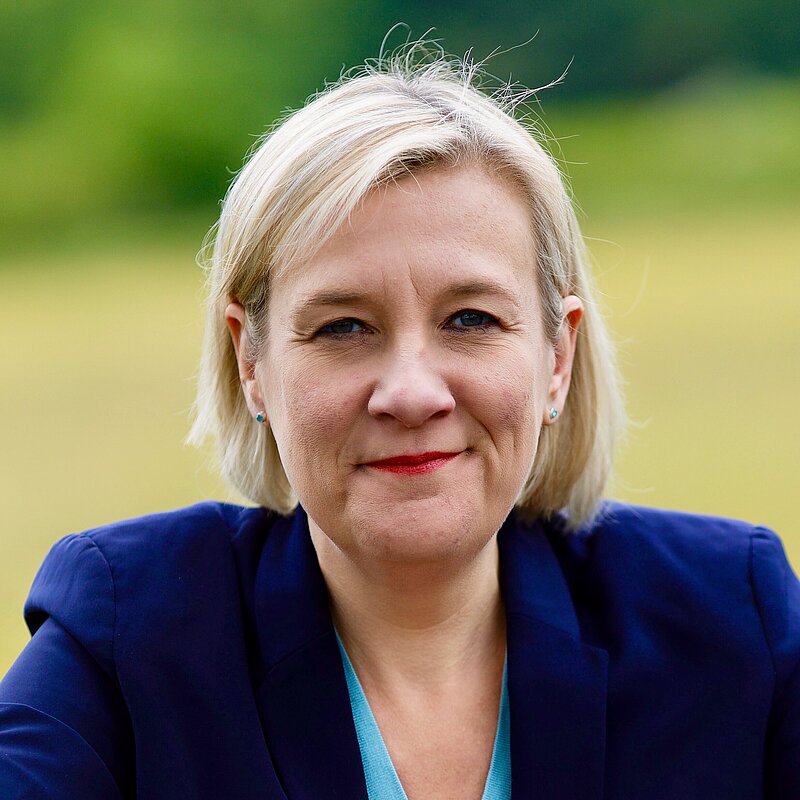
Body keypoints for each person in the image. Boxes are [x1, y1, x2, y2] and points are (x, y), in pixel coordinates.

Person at [1, 47, 798, 800]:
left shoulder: (733, 620)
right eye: (344, 327)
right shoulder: (128, 633)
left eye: (472, 319)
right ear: (252, 363)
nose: (412, 394)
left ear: (557, 359)